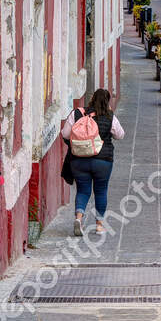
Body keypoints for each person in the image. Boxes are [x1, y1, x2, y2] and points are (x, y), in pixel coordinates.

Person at [60, 88, 125, 236]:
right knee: (101, 191)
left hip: (79, 160)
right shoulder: (110, 116)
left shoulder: (77, 113)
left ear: (92, 98)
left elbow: (65, 134)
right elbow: (120, 135)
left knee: (83, 190)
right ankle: (99, 226)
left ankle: (78, 218)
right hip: (103, 161)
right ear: (107, 101)